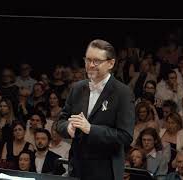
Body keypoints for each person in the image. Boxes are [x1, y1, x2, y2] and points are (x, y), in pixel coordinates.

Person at [56, 39, 135, 180]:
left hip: (105, 172)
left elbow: (125, 137)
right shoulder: (77, 88)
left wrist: (90, 129)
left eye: (97, 61)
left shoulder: (123, 93)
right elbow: (60, 121)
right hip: (76, 170)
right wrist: (68, 128)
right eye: (88, 60)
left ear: (111, 63)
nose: (90, 65)